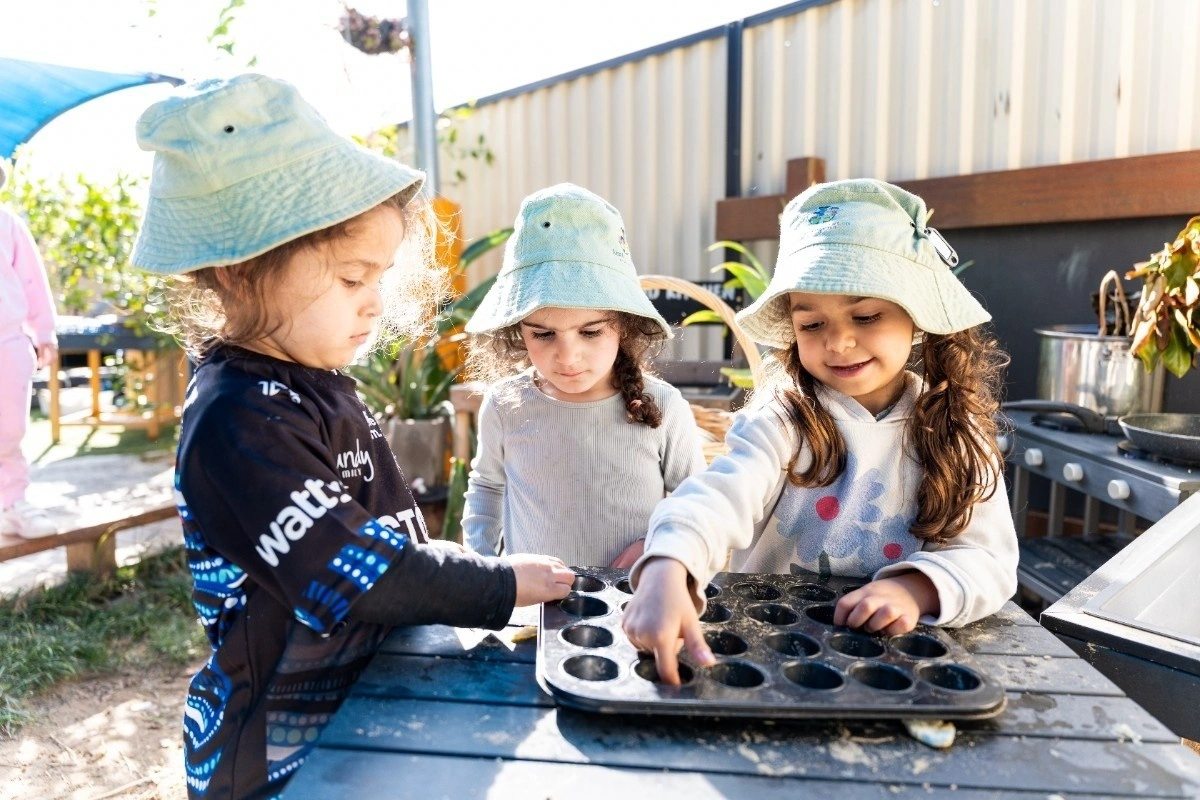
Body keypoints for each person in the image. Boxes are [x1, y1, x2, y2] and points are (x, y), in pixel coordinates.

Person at [129, 73, 575, 799]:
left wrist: (463, 571)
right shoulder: (237, 421)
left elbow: (382, 535)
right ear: (241, 271)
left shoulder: (311, 382)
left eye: (379, 277)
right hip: (280, 756)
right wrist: (496, 584)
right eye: (350, 279)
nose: (374, 303)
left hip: (358, 713)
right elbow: (356, 571)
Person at [622, 178, 1018, 684]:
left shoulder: (957, 432)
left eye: (866, 315)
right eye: (811, 324)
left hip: (899, 665)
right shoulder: (784, 419)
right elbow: (719, 496)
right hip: (768, 651)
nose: (839, 342)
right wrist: (669, 564)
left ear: (917, 316)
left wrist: (915, 589)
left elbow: (989, 559)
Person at [460, 183, 706, 568]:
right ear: (518, 330)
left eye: (590, 332)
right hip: (532, 601)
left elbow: (698, 504)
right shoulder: (505, 405)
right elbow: (487, 488)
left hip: (632, 598)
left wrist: (660, 548)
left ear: (624, 324)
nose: (567, 355)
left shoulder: (663, 405)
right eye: (543, 334)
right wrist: (484, 569)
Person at [0, 159, 59, 539]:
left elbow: (31, 280)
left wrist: (44, 332)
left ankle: (13, 502)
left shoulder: (7, 223)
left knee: (9, 429)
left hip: (7, 340)